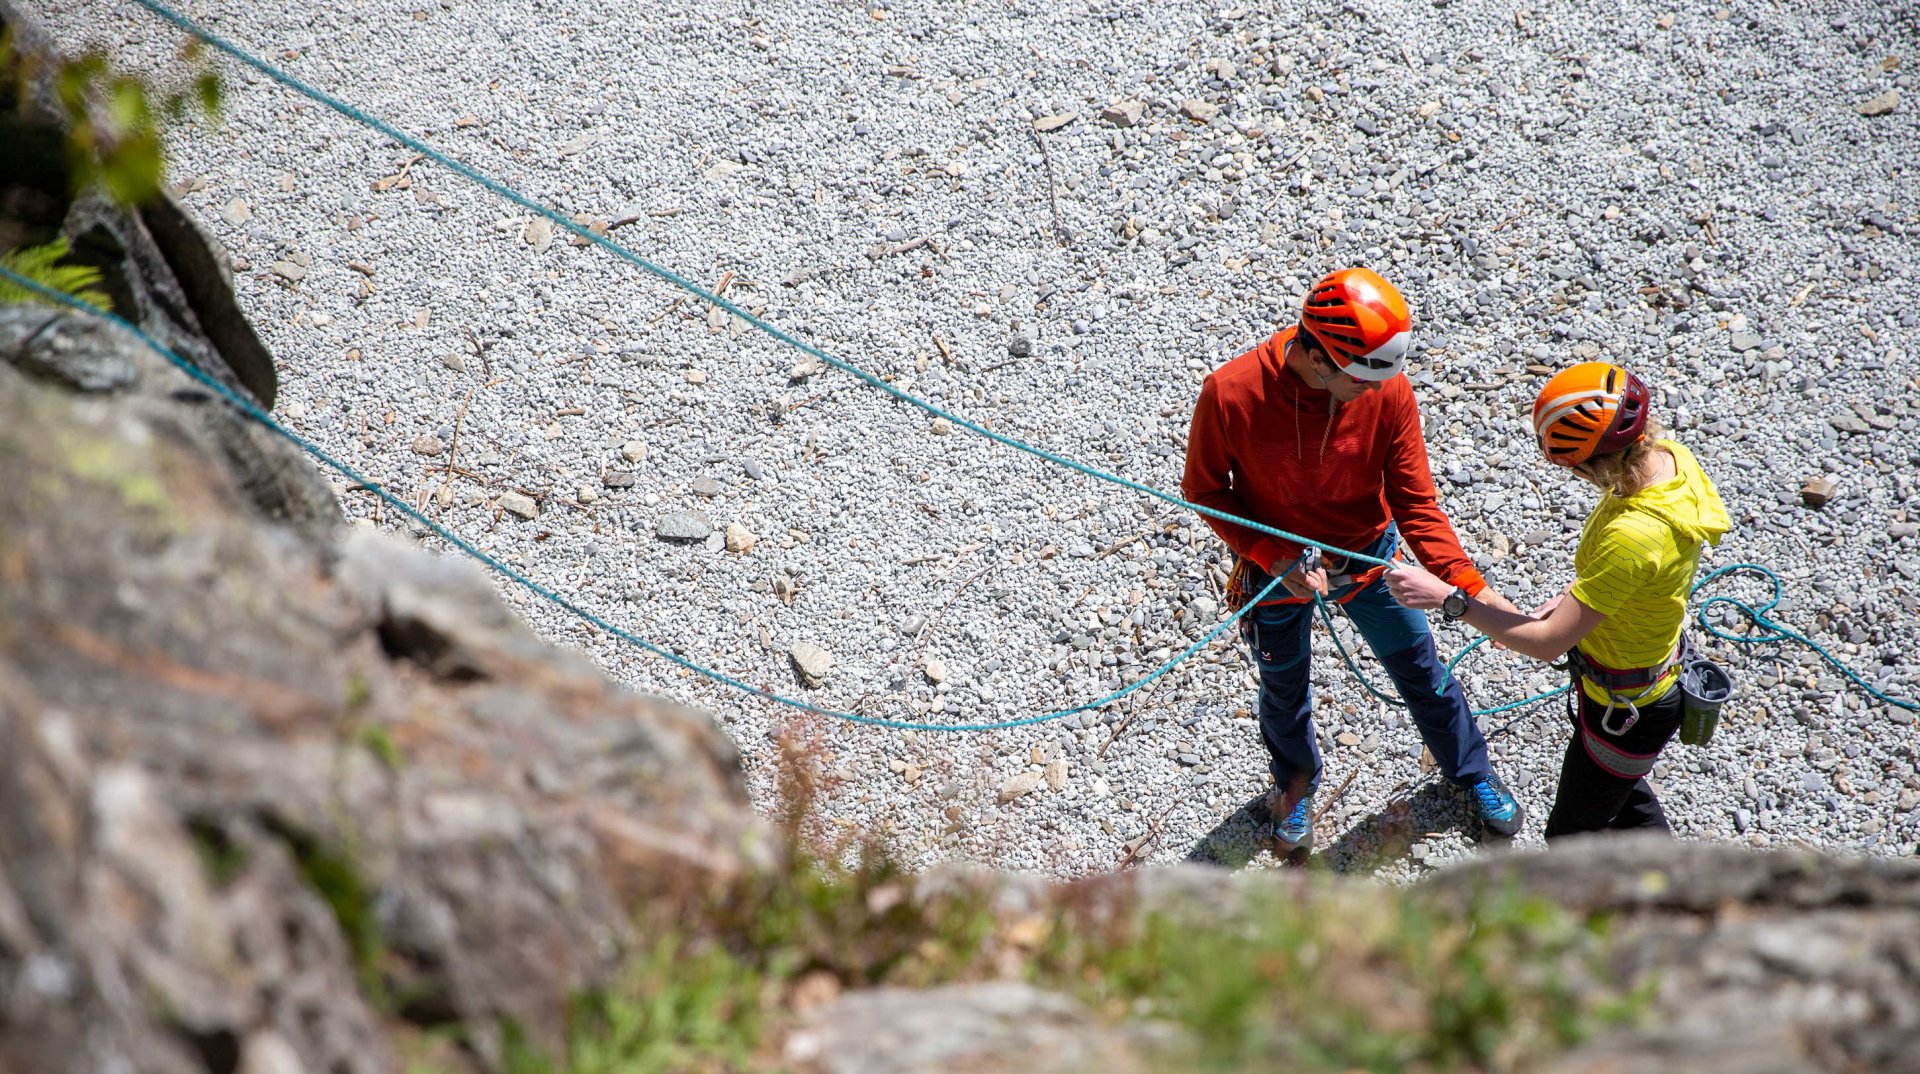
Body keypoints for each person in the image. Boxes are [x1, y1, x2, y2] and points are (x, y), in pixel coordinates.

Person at [1181, 266, 1526, 853]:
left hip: (1369, 558)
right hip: (1279, 573)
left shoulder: (1387, 388)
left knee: (1423, 673)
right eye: (1360, 382)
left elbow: (1417, 505)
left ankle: (1472, 772)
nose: (1373, 394)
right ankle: (1294, 788)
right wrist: (1272, 555)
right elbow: (1206, 490)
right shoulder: (1231, 392)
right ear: (1317, 357)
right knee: (1282, 688)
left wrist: (1467, 587)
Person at [1386, 361, 1729, 839]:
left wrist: (1448, 598)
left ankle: (1646, 905)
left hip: (1629, 708)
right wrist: (1579, 597)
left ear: (1597, 463)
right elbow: (1637, 573)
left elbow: (1547, 644)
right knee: (1623, 795)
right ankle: (1674, 886)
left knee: (1569, 837)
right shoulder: (1670, 461)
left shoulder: (1634, 535)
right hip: (1639, 681)